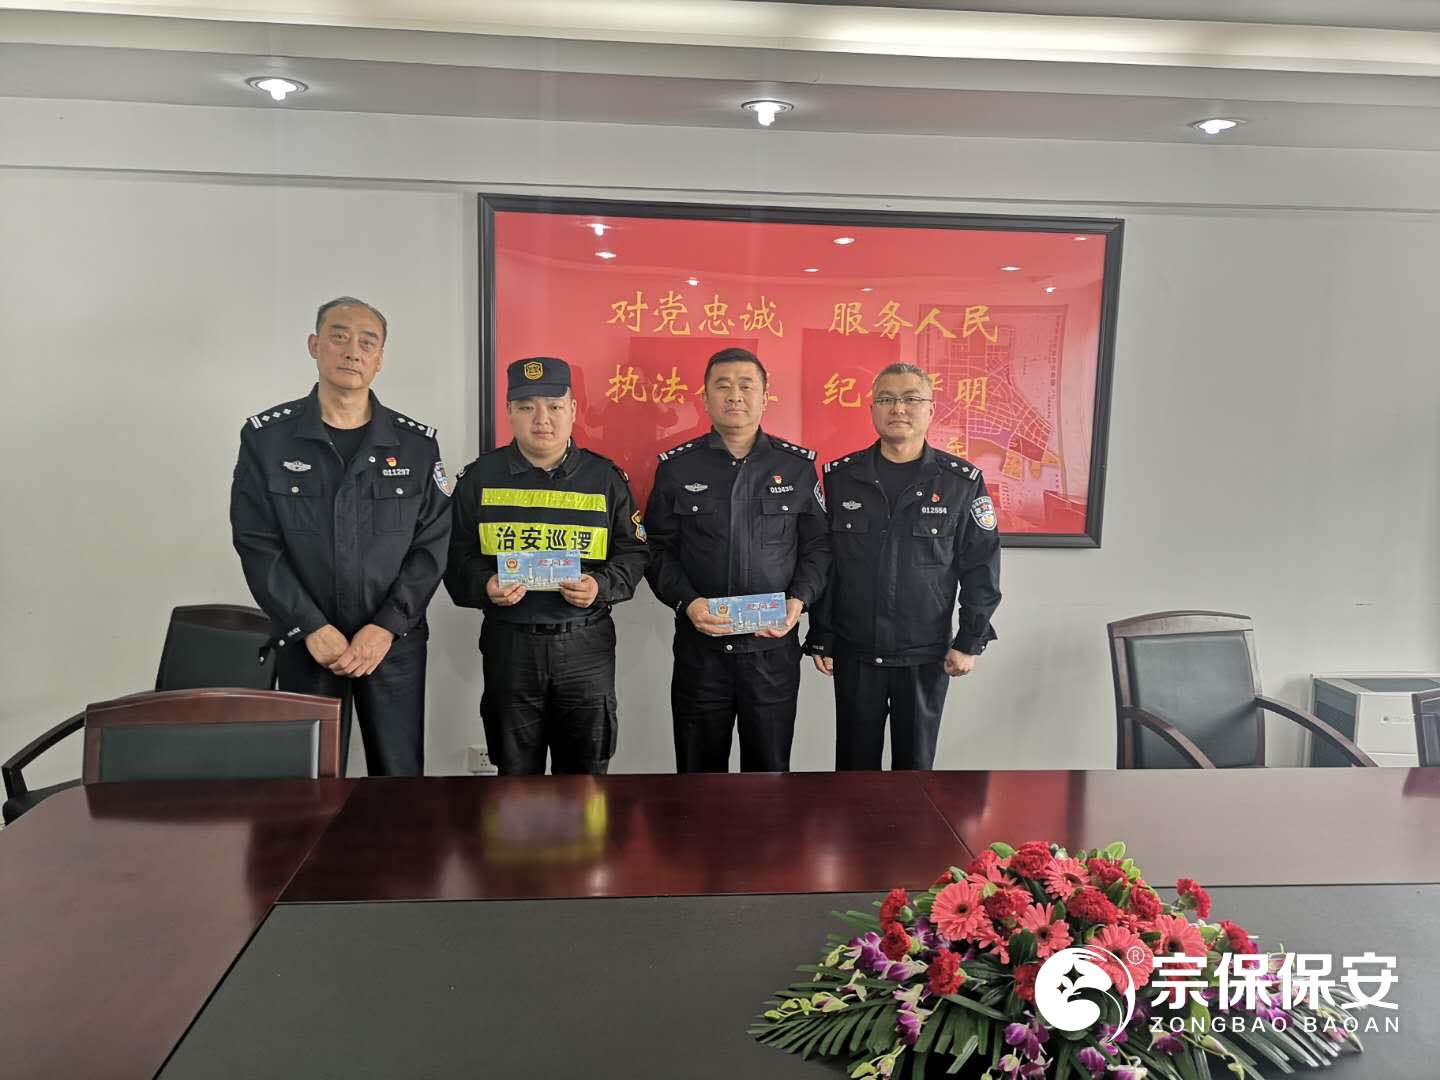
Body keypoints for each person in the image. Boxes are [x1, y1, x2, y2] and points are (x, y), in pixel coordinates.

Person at [231, 296, 452, 776]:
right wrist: (310, 625)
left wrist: (386, 626)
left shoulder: (416, 446)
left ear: (379, 359)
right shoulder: (267, 439)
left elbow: (431, 546)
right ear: (314, 345)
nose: (353, 351)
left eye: (367, 342)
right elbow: (257, 543)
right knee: (307, 780)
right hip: (308, 639)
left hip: (391, 641)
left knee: (398, 777)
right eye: (339, 337)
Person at [444, 357, 648, 775]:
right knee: (515, 776)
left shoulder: (605, 478)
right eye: (527, 407)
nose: (542, 419)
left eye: (554, 406)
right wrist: (485, 585)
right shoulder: (480, 478)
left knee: (586, 778)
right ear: (508, 411)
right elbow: (452, 554)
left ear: (572, 410)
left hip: (585, 645)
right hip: (510, 645)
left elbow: (634, 551)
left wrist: (601, 585)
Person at [804, 361, 1001, 771]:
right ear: (872, 409)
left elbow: (981, 567)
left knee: (916, 773)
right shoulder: (841, 478)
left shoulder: (961, 482)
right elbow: (827, 564)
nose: (898, 408)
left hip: (925, 655)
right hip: (856, 652)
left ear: (930, 409)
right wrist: (822, 634)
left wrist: (970, 638)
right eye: (887, 399)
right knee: (854, 772)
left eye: (911, 399)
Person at [644, 347, 830, 772]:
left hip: (771, 650)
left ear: (765, 396)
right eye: (722, 386)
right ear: (705, 398)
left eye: (746, 386)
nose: (734, 395)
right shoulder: (677, 468)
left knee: (768, 775)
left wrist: (799, 600)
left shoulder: (797, 467)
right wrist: (687, 602)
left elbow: (818, 547)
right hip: (700, 650)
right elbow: (656, 549)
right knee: (698, 775)